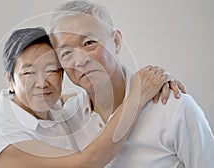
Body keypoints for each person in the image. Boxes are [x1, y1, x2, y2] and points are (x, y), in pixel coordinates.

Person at [0, 27, 183, 168]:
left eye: (51, 70)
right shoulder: (4, 140)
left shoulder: (53, 110)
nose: (42, 83)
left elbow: (72, 100)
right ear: (9, 80)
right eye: (28, 73)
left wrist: (154, 78)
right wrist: (137, 94)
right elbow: (87, 162)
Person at [48, 0, 214, 167]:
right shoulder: (67, 120)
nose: (80, 61)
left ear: (117, 41)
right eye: (67, 52)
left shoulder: (174, 108)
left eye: (89, 43)